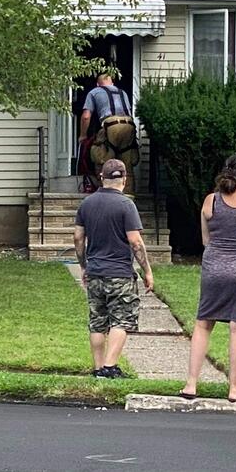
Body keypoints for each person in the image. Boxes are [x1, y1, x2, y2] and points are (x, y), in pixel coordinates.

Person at [179, 154, 236, 402]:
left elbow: (206, 240)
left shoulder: (211, 201)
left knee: (203, 324)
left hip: (214, 269)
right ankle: (235, 388)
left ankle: (191, 384)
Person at [73, 159, 155, 379]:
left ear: (102, 177)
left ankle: (99, 368)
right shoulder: (126, 205)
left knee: (97, 321)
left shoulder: (87, 204)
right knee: (121, 319)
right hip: (119, 273)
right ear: (124, 179)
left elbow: (78, 238)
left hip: (96, 272)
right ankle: (110, 367)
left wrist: (84, 266)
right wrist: (147, 270)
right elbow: (136, 242)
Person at [80, 74, 139, 194]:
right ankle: (128, 198)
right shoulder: (123, 92)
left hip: (110, 125)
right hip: (129, 125)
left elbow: (86, 117)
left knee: (100, 157)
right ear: (112, 83)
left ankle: (104, 194)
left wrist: (83, 135)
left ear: (98, 84)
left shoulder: (94, 92)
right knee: (127, 164)